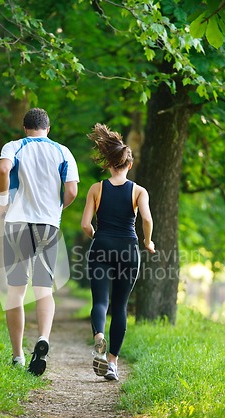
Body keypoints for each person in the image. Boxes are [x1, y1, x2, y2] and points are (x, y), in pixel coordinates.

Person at [0, 108, 79, 376]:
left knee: (16, 291)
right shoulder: (63, 152)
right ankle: (43, 338)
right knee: (44, 290)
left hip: (17, 224)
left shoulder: (15, 146)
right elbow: (72, 190)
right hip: (47, 225)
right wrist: (58, 209)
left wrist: (2, 203)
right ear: (48, 128)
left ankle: (18, 355)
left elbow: (3, 169)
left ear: (24, 128)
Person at [81, 123, 155, 381]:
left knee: (100, 301)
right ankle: (112, 363)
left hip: (102, 245)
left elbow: (84, 225)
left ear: (109, 164)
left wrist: (97, 236)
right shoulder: (139, 191)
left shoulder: (96, 188)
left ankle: (99, 337)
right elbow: (146, 219)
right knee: (120, 306)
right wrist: (148, 241)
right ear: (129, 165)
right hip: (128, 249)